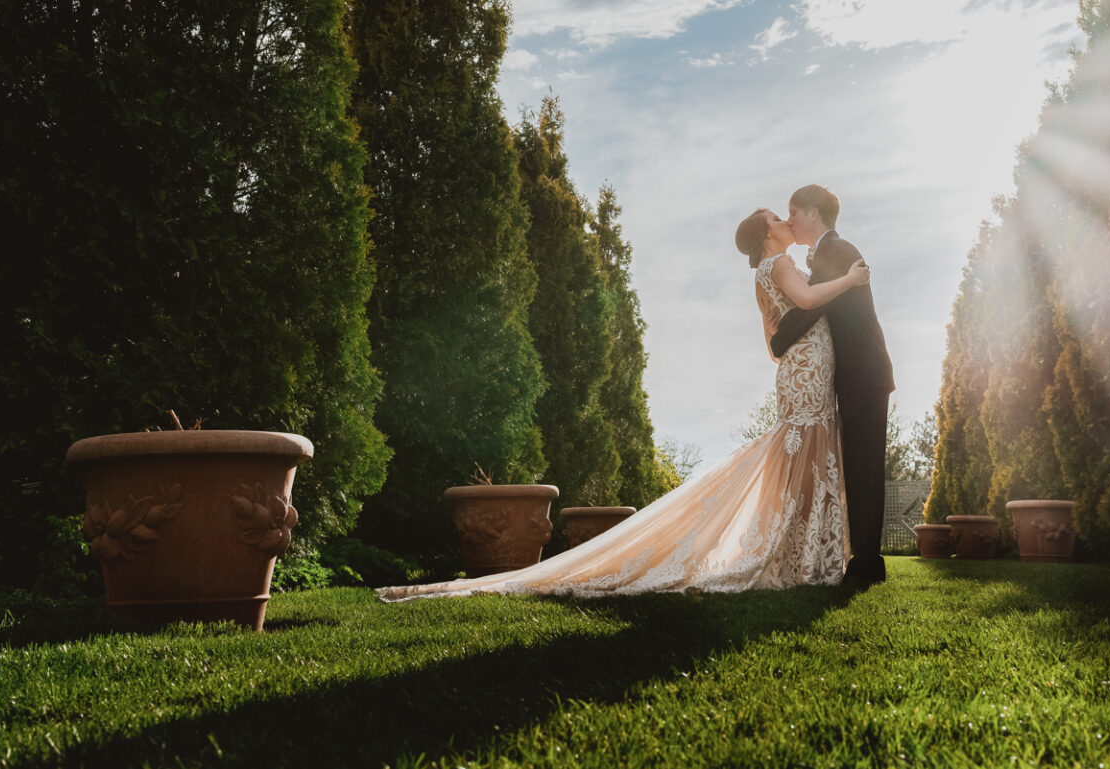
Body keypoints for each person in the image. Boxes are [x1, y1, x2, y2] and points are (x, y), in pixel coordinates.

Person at [375, 207, 868, 600]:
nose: (785, 221)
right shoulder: (780, 263)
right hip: (808, 371)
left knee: (800, 456)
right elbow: (805, 303)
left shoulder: (763, 271)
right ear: (766, 237)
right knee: (807, 454)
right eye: (775, 220)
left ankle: (801, 555)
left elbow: (772, 342)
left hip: (796, 371)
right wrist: (849, 280)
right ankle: (805, 558)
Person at [769, 185, 894, 588]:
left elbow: (810, 304)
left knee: (865, 466)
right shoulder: (826, 253)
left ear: (814, 213)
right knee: (858, 465)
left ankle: (868, 564)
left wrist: (777, 339)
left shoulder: (837, 252)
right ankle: (865, 560)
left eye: (793, 212)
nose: (788, 220)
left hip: (863, 374)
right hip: (855, 376)